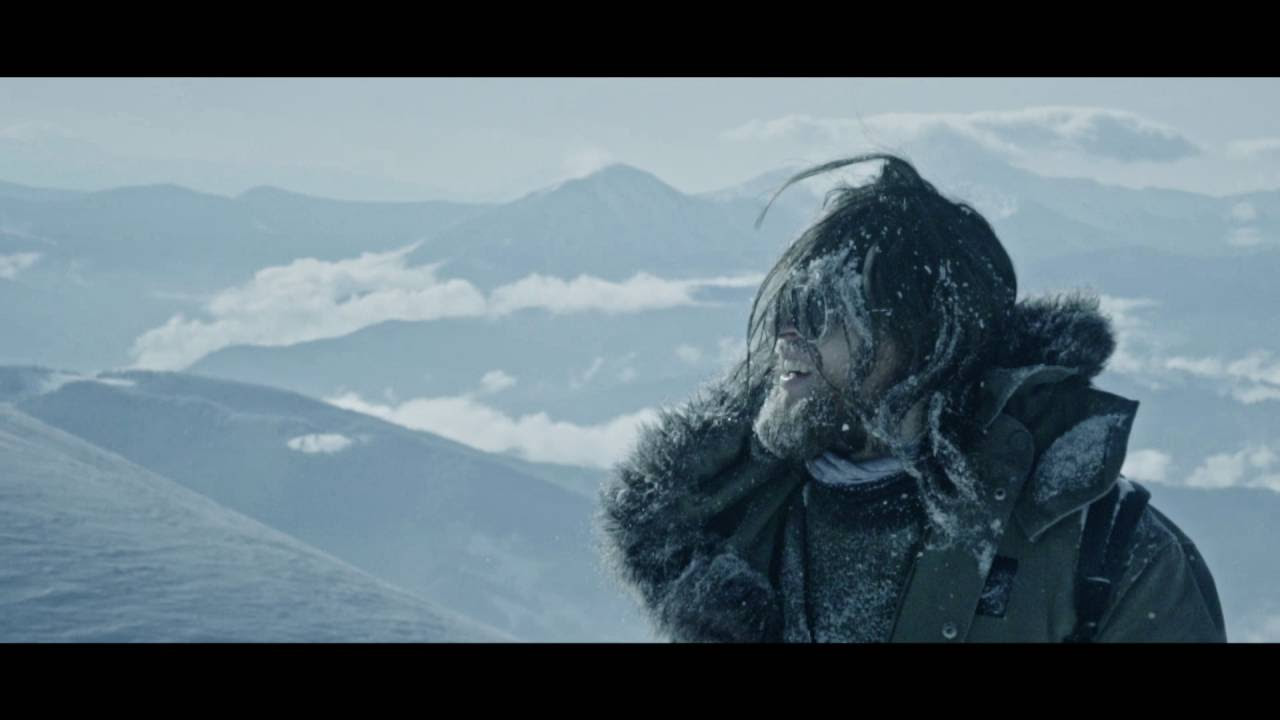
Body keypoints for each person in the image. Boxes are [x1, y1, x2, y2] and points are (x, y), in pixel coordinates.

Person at [597, 154, 1227, 643]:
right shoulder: (728, 526)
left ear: (925, 340)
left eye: (819, 309)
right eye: (786, 308)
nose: (786, 335)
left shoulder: (1104, 549)